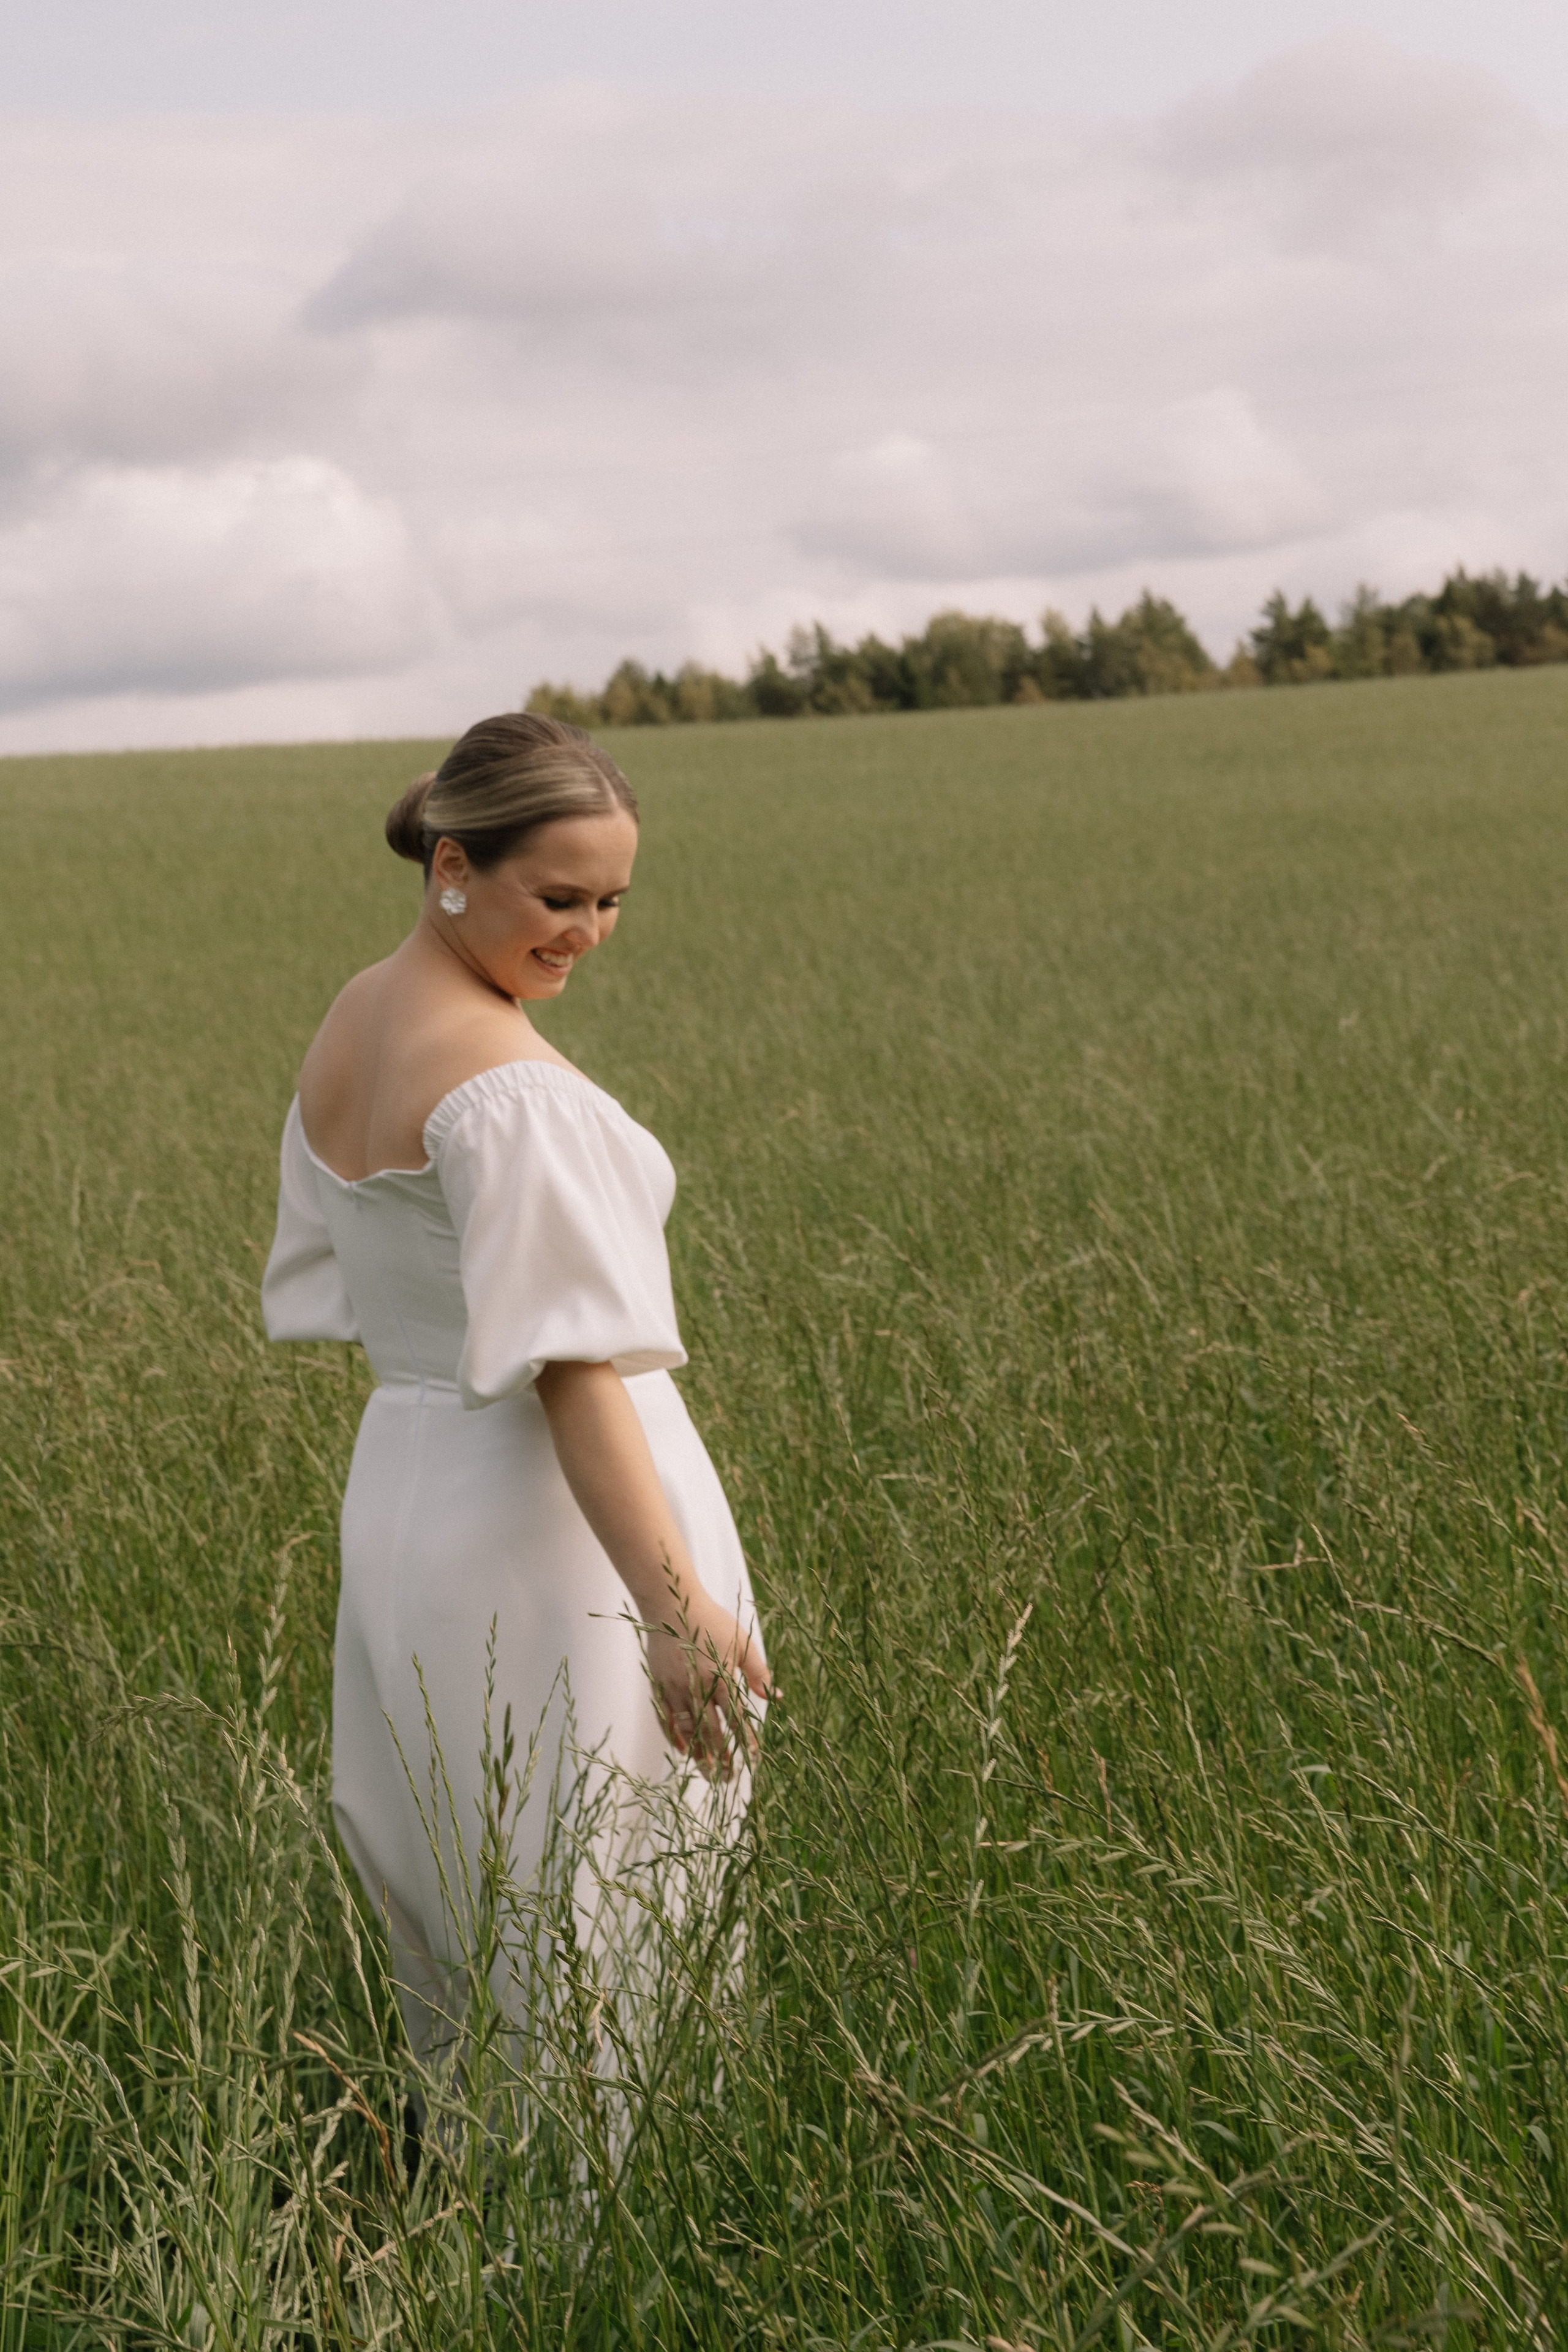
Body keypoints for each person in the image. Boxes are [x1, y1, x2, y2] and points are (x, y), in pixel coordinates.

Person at [261, 712, 767, 2074]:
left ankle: (485, 2223)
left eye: (611, 900)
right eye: (556, 897)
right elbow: (571, 1371)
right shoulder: (511, 1092)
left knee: (467, 1892)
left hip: (410, 1497)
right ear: (451, 865)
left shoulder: (358, 1017)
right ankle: (605, 2255)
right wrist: (671, 1610)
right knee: (601, 1913)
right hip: (553, 1532)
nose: (587, 932)